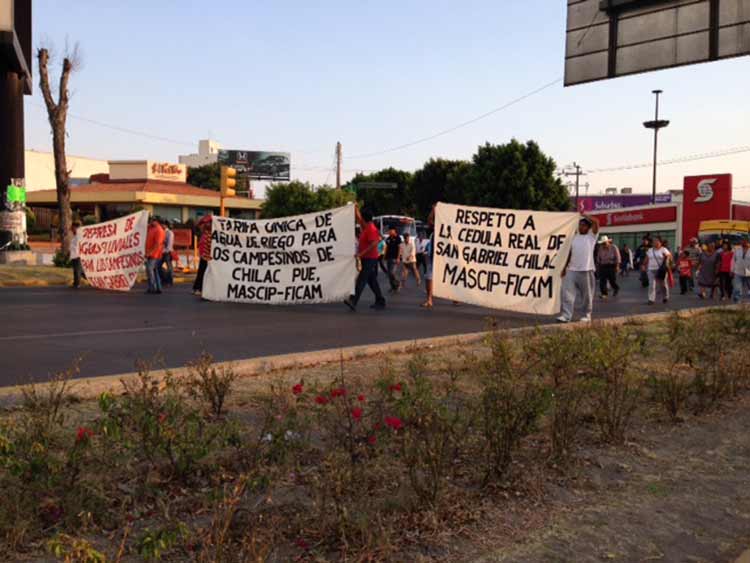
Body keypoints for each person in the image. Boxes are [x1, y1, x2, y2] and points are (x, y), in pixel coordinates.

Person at [557, 215, 600, 323]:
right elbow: (569, 253)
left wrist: (583, 213)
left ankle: (586, 315)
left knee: (586, 296)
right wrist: (564, 268)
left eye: (583, 225)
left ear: (588, 227)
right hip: (571, 270)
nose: (581, 227)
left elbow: (596, 222)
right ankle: (566, 315)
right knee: (567, 294)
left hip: (586, 270)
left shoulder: (592, 237)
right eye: (580, 225)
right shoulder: (574, 237)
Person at [344, 206, 386, 311]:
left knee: (361, 279)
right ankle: (380, 300)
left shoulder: (371, 229)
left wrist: (361, 254)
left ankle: (353, 301)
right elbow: (359, 218)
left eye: (361, 217)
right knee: (372, 281)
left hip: (370, 258)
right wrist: (355, 208)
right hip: (367, 258)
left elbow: (374, 244)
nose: (359, 219)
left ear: (364, 218)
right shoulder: (366, 226)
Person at [642, 237, 672, 305]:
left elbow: (669, 256)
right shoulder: (650, 250)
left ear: (660, 242)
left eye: (656, 241)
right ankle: (651, 299)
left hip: (661, 270)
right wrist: (643, 265)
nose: (654, 242)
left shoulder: (664, 249)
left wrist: (667, 261)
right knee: (651, 285)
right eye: (653, 241)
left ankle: (665, 297)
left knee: (663, 284)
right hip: (651, 269)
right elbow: (646, 258)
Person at [145, 217, 165, 294]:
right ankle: (158, 288)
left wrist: (150, 252)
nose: (151, 222)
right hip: (150, 253)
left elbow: (157, 244)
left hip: (155, 254)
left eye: (152, 221)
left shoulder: (159, 230)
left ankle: (152, 287)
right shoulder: (151, 228)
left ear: (156, 221)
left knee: (149, 270)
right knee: (154, 271)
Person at [193, 215, 212, 296]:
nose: (203, 225)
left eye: (207, 223)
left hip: (208, 256)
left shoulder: (210, 234)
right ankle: (198, 288)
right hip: (204, 256)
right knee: (202, 272)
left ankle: (198, 288)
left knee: (204, 273)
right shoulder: (204, 233)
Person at [384, 229, 402, 293]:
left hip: (395, 258)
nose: (389, 232)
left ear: (394, 231)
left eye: (390, 231)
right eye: (388, 231)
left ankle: (398, 282)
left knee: (392, 272)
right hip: (388, 257)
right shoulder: (388, 239)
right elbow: (386, 248)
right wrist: (384, 256)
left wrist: (398, 257)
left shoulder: (398, 238)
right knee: (389, 274)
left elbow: (400, 248)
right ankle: (393, 287)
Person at [732, 238, 750, 303]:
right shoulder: (737, 250)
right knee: (737, 288)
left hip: (748, 271)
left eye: (746, 242)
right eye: (743, 241)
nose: (744, 243)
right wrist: (732, 270)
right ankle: (737, 302)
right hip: (738, 271)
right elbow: (733, 260)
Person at [160, 221, 175, 287]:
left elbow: (169, 246)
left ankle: (169, 281)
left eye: (162, 224)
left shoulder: (169, 233)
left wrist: (163, 250)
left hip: (167, 252)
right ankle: (164, 280)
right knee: (158, 266)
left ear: (165, 225)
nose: (161, 226)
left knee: (169, 268)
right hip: (161, 252)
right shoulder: (161, 232)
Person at [69, 221, 83, 289]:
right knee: (76, 270)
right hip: (74, 255)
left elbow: (79, 245)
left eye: (72, 228)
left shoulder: (79, 236)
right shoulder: (75, 236)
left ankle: (77, 284)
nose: (71, 229)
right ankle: (76, 283)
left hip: (78, 255)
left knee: (77, 270)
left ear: (76, 228)